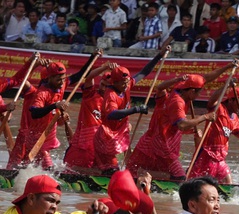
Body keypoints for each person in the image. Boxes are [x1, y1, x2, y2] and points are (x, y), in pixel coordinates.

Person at [7, 51, 99, 170]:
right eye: (58, 79)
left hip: (48, 132)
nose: (62, 83)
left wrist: (93, 57)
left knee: (27, 164)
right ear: (49, 78)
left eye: (63, 79)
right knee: (46, 166)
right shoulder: (41, 93)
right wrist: (34, 64)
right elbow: (34, 113)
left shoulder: (62, 84)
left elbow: (82, 74)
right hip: (35, 135)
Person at [93, 47, 169, 175]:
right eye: (123, 83)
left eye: (127, 82)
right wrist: (136, 109)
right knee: (112, 171)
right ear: (115, 82)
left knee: (127, 165)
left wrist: (159, 56)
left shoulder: (126, 85)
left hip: (119, 134)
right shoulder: (110, 94)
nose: (126, 85)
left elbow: (143, 73)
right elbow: (112, 115)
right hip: (107, 137)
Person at [64, 60, 116, 173]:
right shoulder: (90, 94)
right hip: (85, 143)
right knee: (79, 168)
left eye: (107, 87)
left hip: (102, 144)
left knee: (113, 169)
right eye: (102, 84)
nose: (103, 88)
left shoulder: (114, 102)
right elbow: (88, 77)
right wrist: (104, 67)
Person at [189, 84, 239, 183]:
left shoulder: (235, 118)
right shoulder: (218, 108)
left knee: (228, 183)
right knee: (197, 183)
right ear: (230, 100)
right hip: (206, 155)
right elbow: (212, 100)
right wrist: (226, 86)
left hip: (220, 159)